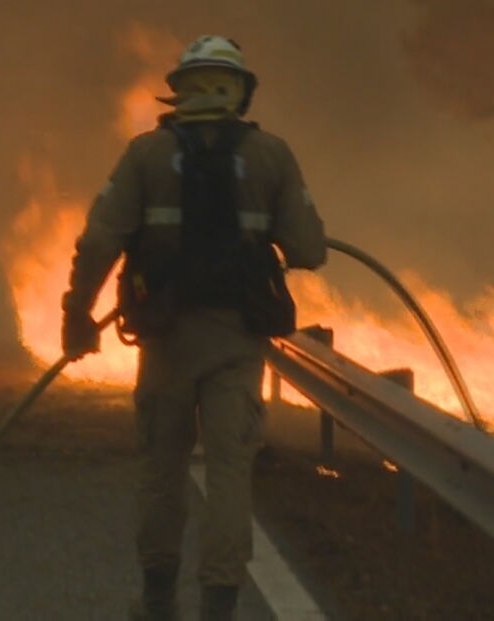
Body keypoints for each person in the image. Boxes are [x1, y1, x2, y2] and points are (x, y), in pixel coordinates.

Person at [60, 35, 326, 620]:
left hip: (166, 342)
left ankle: (157, 603)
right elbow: (309, 247)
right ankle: (219, 609)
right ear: (239, 92)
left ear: (179, 91)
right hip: (236, 344)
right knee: (230, 474)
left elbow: (102, 238)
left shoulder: (146, 155)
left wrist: (78, 314)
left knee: (162, 471)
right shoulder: (271, 155)